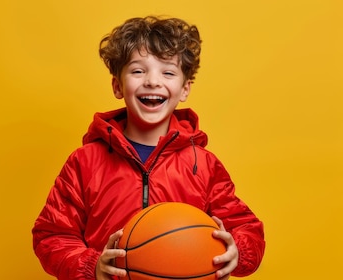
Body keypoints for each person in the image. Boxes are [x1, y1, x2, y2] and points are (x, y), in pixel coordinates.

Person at [31, 16, 265, 280]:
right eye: (138, 71)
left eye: (167, 72)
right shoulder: (84, 162)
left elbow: (247, 228)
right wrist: (91, 266)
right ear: (118, 86)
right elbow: (52, 235)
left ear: (184, 89)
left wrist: (238, 251)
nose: (153, 81)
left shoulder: (204, 164)